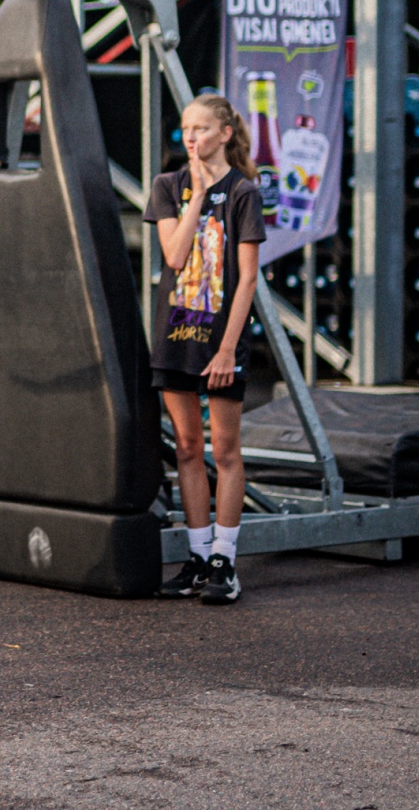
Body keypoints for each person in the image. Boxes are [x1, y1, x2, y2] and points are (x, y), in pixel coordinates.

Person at [144, 94, 265, 607]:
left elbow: (247, 279)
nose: (191, 137)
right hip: (175, 335)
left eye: (202, 128)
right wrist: (195, 194)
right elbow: (174, 256)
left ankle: (224, 561)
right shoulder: (168, 187)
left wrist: (228, 349)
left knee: (226, 451)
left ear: (225, 134)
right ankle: (197, 557)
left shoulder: (243, 192)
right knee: (188, 448)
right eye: (186, 128)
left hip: (221, 339)